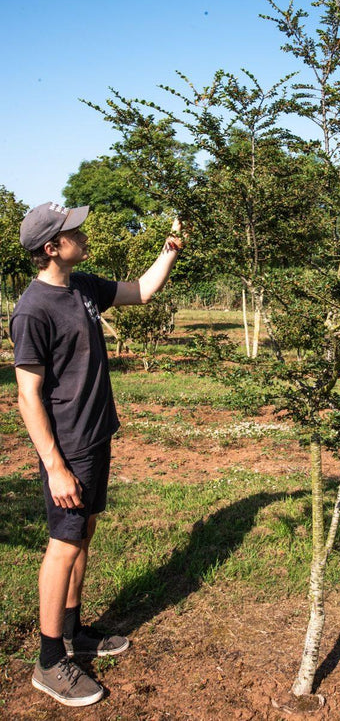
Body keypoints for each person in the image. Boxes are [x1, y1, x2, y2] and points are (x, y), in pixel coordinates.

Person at [10, 201, 183, 707]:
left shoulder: (82, 286)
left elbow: (142, 291)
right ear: (51, 248)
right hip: (66, 449)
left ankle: (73, 633)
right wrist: (55, 467)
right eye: (73, 232)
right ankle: (49, 662)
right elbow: (27, 396)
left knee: (82, 535)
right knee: (63, 545)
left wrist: (170, 249)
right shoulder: (33, 310)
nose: (83, 235)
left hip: (95, 437)